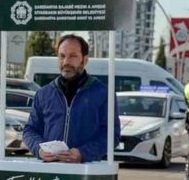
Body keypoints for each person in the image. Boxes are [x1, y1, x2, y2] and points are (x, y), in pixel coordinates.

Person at [23, 34, 120, 163]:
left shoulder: (102, 93)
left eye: (73, 56)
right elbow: (30, 130)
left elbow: (111, 135)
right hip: (49, 171)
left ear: (85, 60)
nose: (66, 62)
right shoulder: (44, 93)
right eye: (62, 56)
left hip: (85, 172)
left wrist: (83, 153)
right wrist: (39, 149)